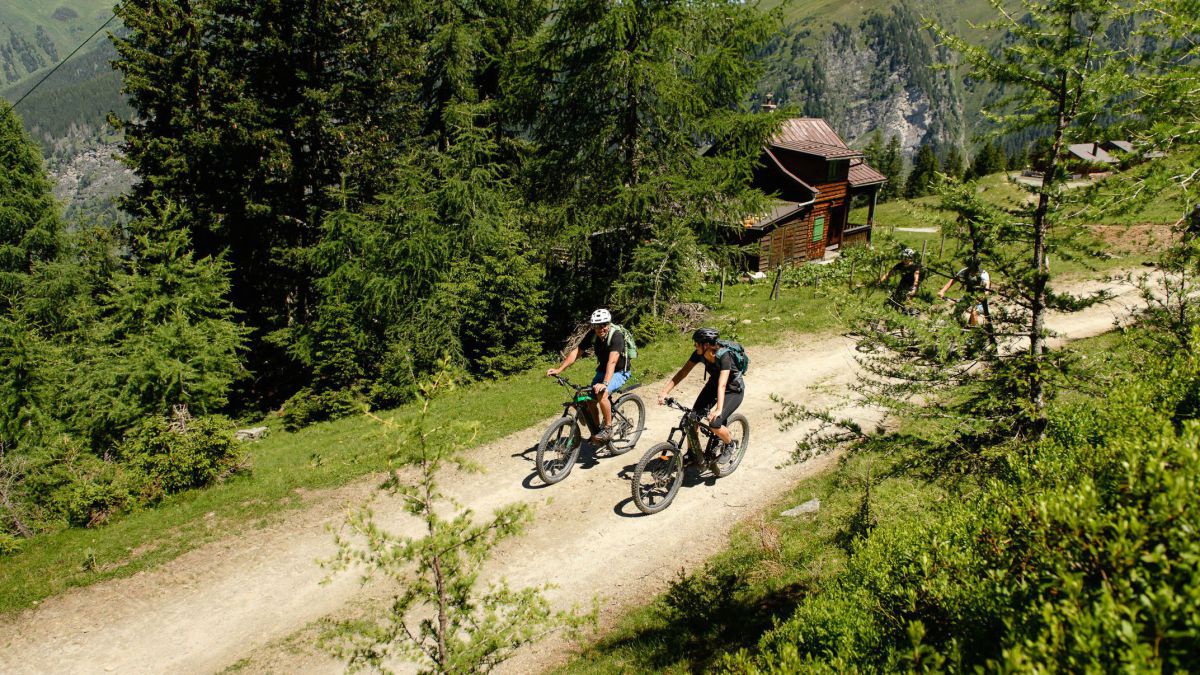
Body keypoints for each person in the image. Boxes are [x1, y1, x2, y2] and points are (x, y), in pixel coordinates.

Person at [657, 328, 744, 464]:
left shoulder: (724, 356)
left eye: (696, 343)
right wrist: (665, 391)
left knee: (715, 423)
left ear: (706, 345)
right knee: (692, 418)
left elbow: (723, 385)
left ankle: (730, 444)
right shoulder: (699, 354)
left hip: (733, 390)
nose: (694, 345)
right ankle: (693, 454)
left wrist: (718, 409)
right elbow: (683, 372)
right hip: (714, 385)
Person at [546, 308, 630, 442]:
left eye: (604, 324)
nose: (601, 328)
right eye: (597, 325)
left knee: (602, 393)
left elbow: (612, 361)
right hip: (602, 371)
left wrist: (605, 384)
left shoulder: (616, 336)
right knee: (589, 399)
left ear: (608, 323)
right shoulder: (593, 334)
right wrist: (559, 369)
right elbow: (576, 352)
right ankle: (597, 432)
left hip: (619, 371)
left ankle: (608, 429)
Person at [938, 259, 991, 326]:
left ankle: (974, 332)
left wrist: (982, 298)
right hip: (968, 296)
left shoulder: (983, 274)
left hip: (980, 298)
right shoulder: (964, 271)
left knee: (974, 312)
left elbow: (987, 290)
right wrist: (942, 291)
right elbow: (953, 280)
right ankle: (958, 327)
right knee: (957, 311)